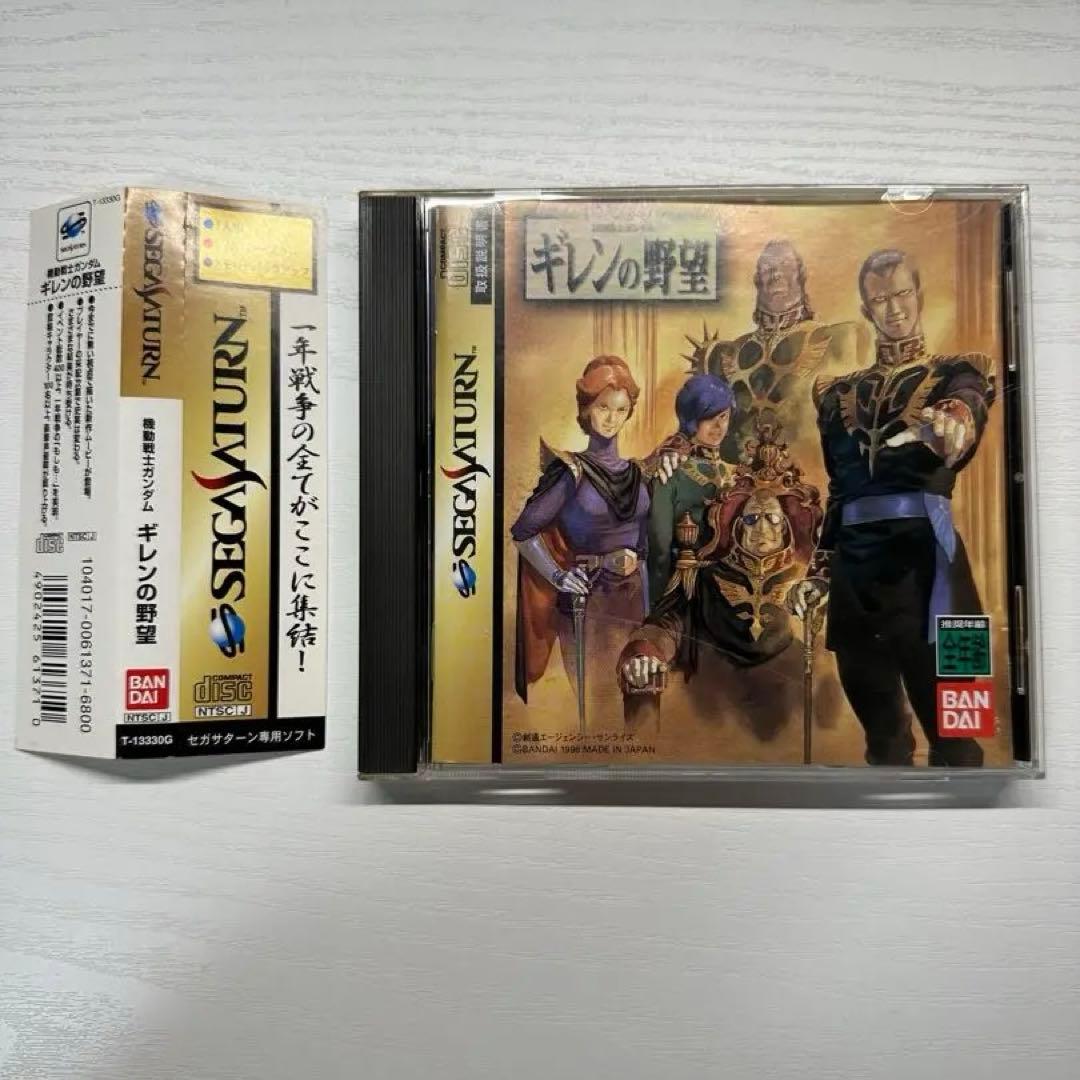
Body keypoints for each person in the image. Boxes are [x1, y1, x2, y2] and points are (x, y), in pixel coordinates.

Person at [788, 249, 995, 767]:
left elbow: (969, 403)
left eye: (902, 293)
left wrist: (956, 417)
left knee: (960, 733)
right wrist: (820, 571)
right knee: (882, 740)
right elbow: (839, 492)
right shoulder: (834, 394)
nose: (894, 307)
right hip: (856, 578)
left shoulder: (960, 372)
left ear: (918, 296)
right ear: (866, 308)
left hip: (937, 574)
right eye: (880, 299)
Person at [619, 417, 823, 732]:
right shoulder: (703, 577)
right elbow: (667, 624)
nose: (761, 528)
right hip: (714, 710)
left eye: (772, 519)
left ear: (786, 527)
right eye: (752, 519)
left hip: (796, 710)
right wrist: (644, 652)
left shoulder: (810, 582)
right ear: (736, 527)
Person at [511, 355, 655, 728]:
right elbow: (523, 531)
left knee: (643, 703)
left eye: (620, 409)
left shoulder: (639, 472)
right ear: (586, 408)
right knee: (600, 708)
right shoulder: (570, 472)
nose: (611, 418)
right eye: (603, 407)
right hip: (589, 600)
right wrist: (558, 576)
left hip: (637, 599)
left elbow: (647, 542)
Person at [688, 239, 867, 456]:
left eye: (785, 265)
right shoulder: (722, 355)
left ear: (801, 274)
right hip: (738, 475)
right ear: (757, 280)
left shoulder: (843, 338)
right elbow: (696, 432)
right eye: (767, 268)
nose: (776, 274)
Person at [646, 373, 735, 605]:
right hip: (686, 593)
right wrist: (658, 605)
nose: (718, 426)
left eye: (724, 417)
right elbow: (659, 551)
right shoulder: (669, 471)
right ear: (692, 419)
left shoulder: (737, 474)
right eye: (709, 418)